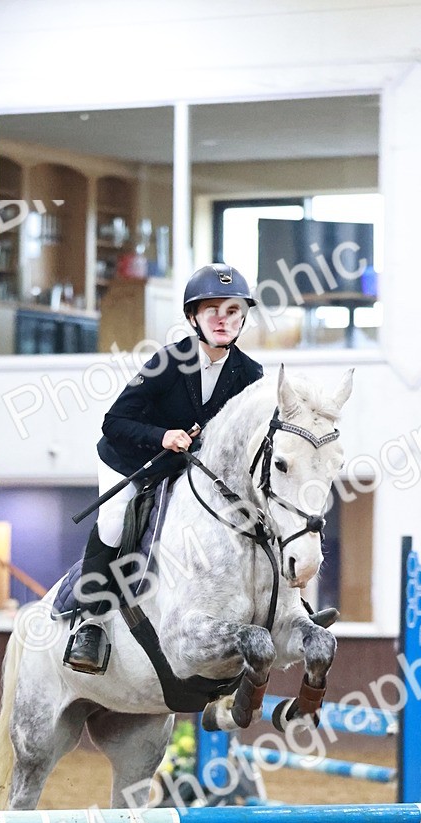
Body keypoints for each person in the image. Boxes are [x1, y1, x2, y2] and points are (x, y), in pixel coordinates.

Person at [66, 262, 263, 674]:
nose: (223, 321)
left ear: (243, 318)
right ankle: (91, 622)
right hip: (134, 460)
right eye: (213, 312)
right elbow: (114, 423)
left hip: (196, 472)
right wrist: (163, 436)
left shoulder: (251, 375)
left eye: (232, 312)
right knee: (115, 520)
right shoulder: (167, 362)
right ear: (194, 318)